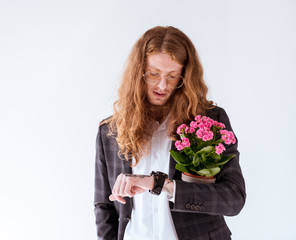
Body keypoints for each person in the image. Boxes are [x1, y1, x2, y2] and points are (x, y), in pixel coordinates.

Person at [94, 26, 246, 240]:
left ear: (185, 76)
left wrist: (161, 185)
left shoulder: (209, 122)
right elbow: (104, 206)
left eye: (173, 76)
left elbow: (233, 199)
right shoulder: (110, 131)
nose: (162, 85)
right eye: (154, 74)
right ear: (138, 73)